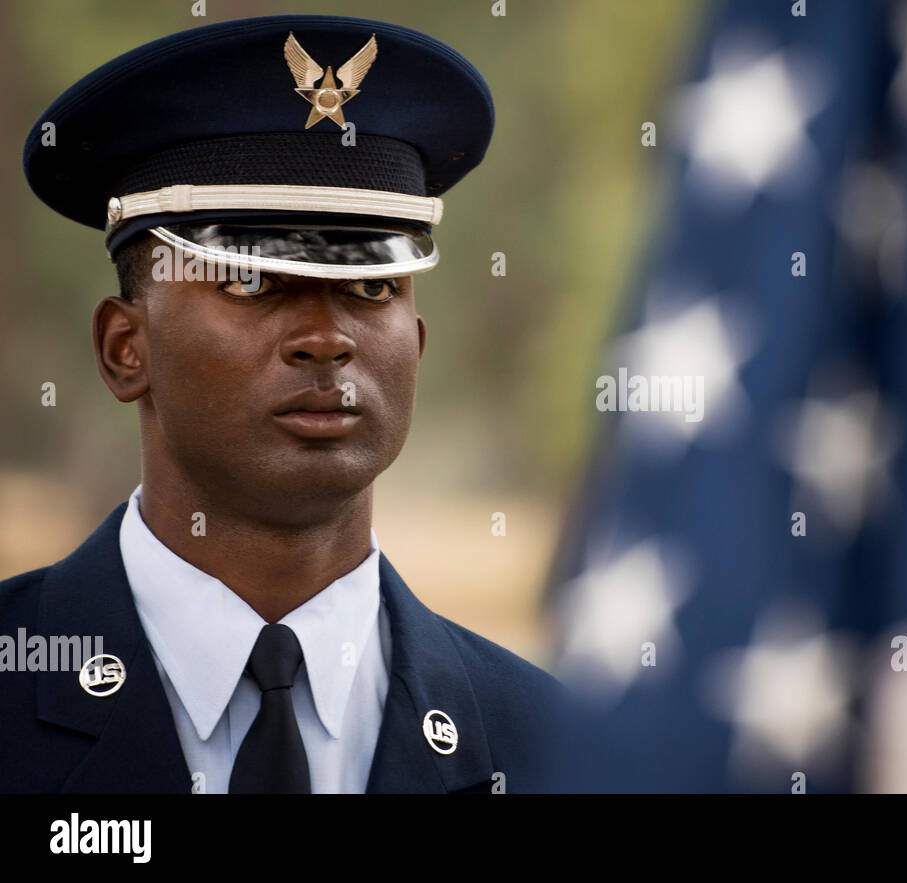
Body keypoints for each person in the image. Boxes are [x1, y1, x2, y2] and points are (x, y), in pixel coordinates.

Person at [0, 13, 564, 793]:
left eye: (372, 285)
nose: (327, 338)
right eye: (250, 279)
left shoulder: (555, 746)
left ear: (418, 346)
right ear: (125, 349)